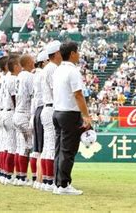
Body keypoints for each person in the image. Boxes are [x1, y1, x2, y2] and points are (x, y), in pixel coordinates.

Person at [52, 41, 92, 195]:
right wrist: (86, 116)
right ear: (73, 53)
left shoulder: (58, 70)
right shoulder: (73, 71)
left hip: (57, 111)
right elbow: (78, 94)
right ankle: (64, 185)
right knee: (68, 151)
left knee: (59, 149)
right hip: (69, 113)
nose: (79, 54)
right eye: (78, 51)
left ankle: (57, 183)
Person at [40, 40, 62, 192]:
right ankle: (50, 181)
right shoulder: (53, 68)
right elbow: (57, 91)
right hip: (52, 107)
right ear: (56, 54)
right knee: (52, 148)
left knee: (47, 147)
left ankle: (47, 181)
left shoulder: (46, 68)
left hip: (45, 108)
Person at [13, 54, 35, 186]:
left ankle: (20, 177)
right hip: (25, 114)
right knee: (30, 146)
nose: (34, 63)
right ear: (27, 63)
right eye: (32, 61)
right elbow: (34, 95)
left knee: (21, 147)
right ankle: (29, 177)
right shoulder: (29, 76)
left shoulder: (19, 76)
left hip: (17, 113)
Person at [30, 50, 49, 189]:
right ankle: (43, 179)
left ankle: (37, 178)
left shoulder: (35, 75)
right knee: (45, 148)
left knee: (37, 149)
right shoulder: (44, 73)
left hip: (36, 111)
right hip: (43, 108)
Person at [2, 55, 21, 185]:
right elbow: (15, 98)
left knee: (9, 146)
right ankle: (10, 176)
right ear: (15, 67)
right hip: (12, 111)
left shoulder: (5, 78)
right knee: (14, 147)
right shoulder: (13, 79)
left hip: (4, 111)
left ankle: (6, 174)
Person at [0, 56, 9, 183]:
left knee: (1, 146)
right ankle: (8, 175)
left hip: (0, 112)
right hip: (9, 111)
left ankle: (0, 173)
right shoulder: (10, 78)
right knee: (11, 147)